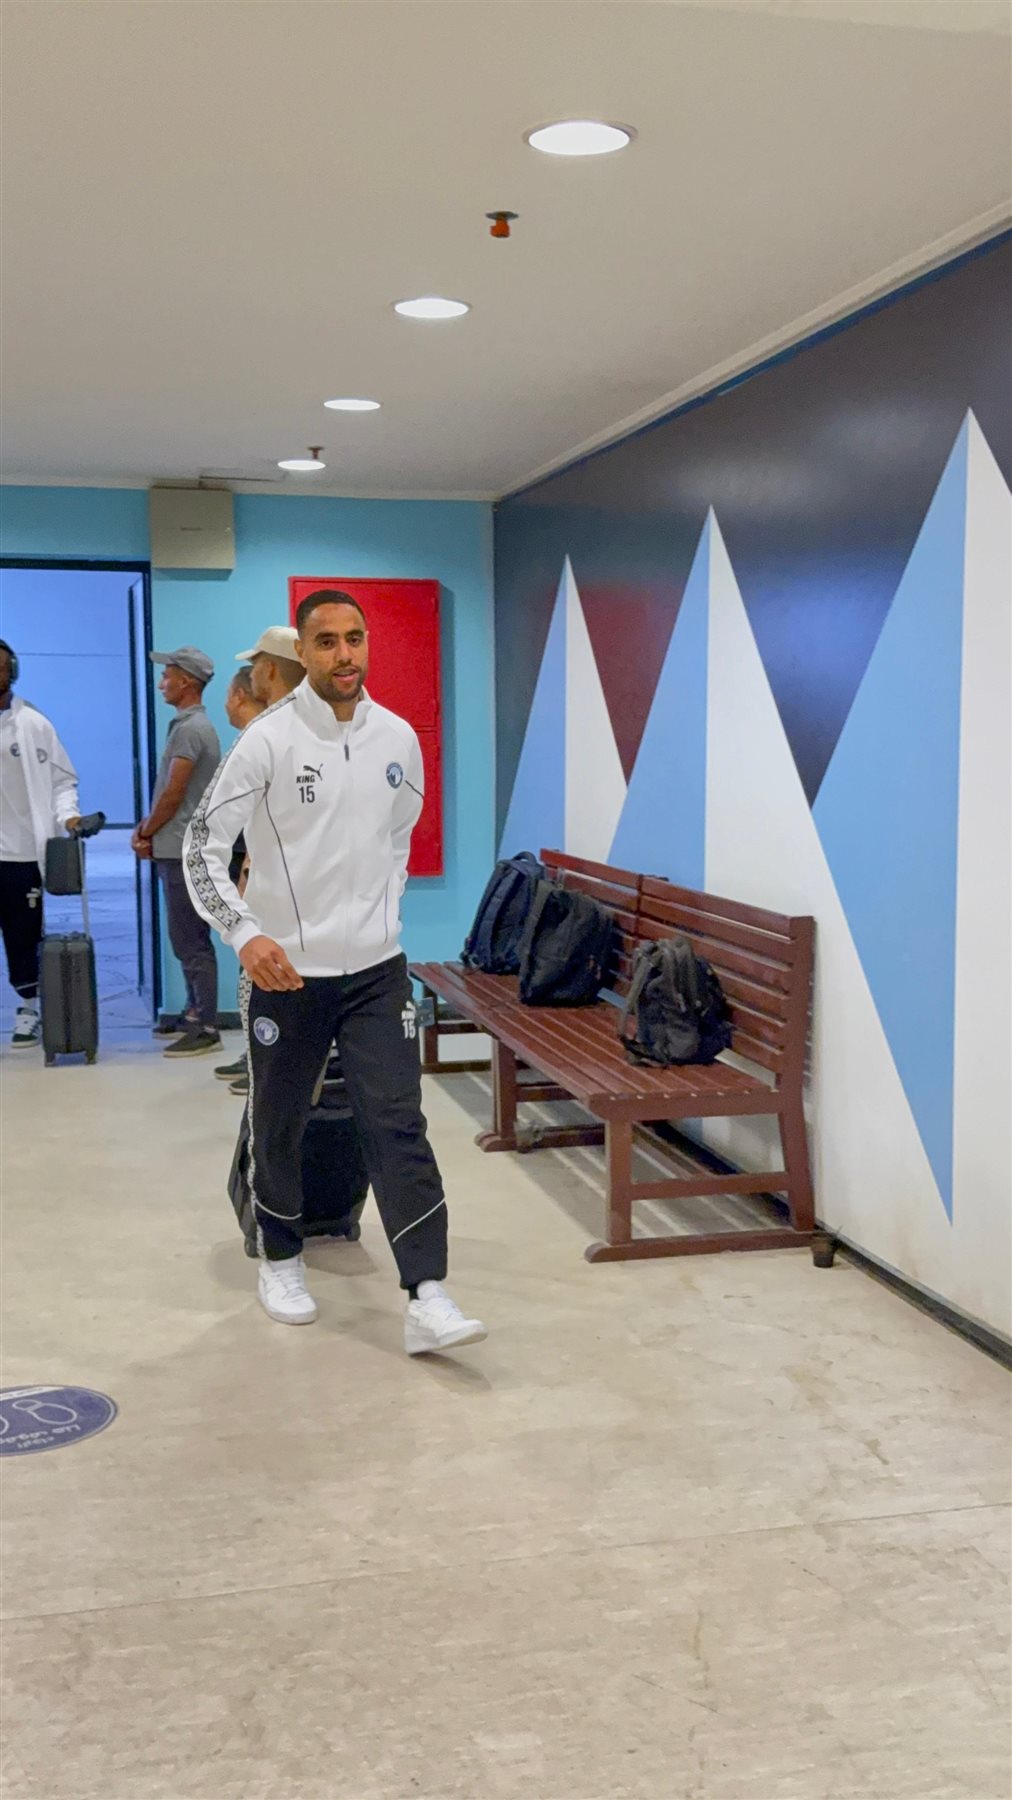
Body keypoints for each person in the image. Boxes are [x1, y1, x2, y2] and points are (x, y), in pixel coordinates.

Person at [183, 591, 487, 1354]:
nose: (344, 655)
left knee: (398, 1122)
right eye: (327, 642)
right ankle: (282, 1260)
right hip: (287, 974)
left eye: (355, 638)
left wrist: (383, 917)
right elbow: (201, 848)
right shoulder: (268, 741)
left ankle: (427, 1293)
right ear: (303, 654)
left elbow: (397, 838)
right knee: (279, 1121)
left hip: (376, 971)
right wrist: (246, 934)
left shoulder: (397, 738)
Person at [134, 646, 222, 1059]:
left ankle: (206, 1025)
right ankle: (192, 1012)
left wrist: (145, 830)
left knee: (191, 940)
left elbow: (174, 792)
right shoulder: (188, 726)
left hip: (183, 848)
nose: (161, 684)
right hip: (176, 846)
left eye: (167, 676)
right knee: (183, 937)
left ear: (186, 681)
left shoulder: (192, 730)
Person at [0, 638, 81, 1047]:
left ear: (12, 671)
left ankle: (28, 1009)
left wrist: (68, 816)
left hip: (19, 856)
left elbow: (62, 781)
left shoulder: (34, 724)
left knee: (22, 938)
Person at [213, 664, 266, 1091]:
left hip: (257, 877)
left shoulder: (259, 742)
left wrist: (247, 872)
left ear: (240, 695)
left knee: (258, 975)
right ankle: (255, 1055)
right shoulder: (251, 740)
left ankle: (262, 1063)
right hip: (243, 869)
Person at [236, 625, 305, 708]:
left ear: (268, 669)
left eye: (255, 665)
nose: (251, 675)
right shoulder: (314, 713)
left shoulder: (277, 716)